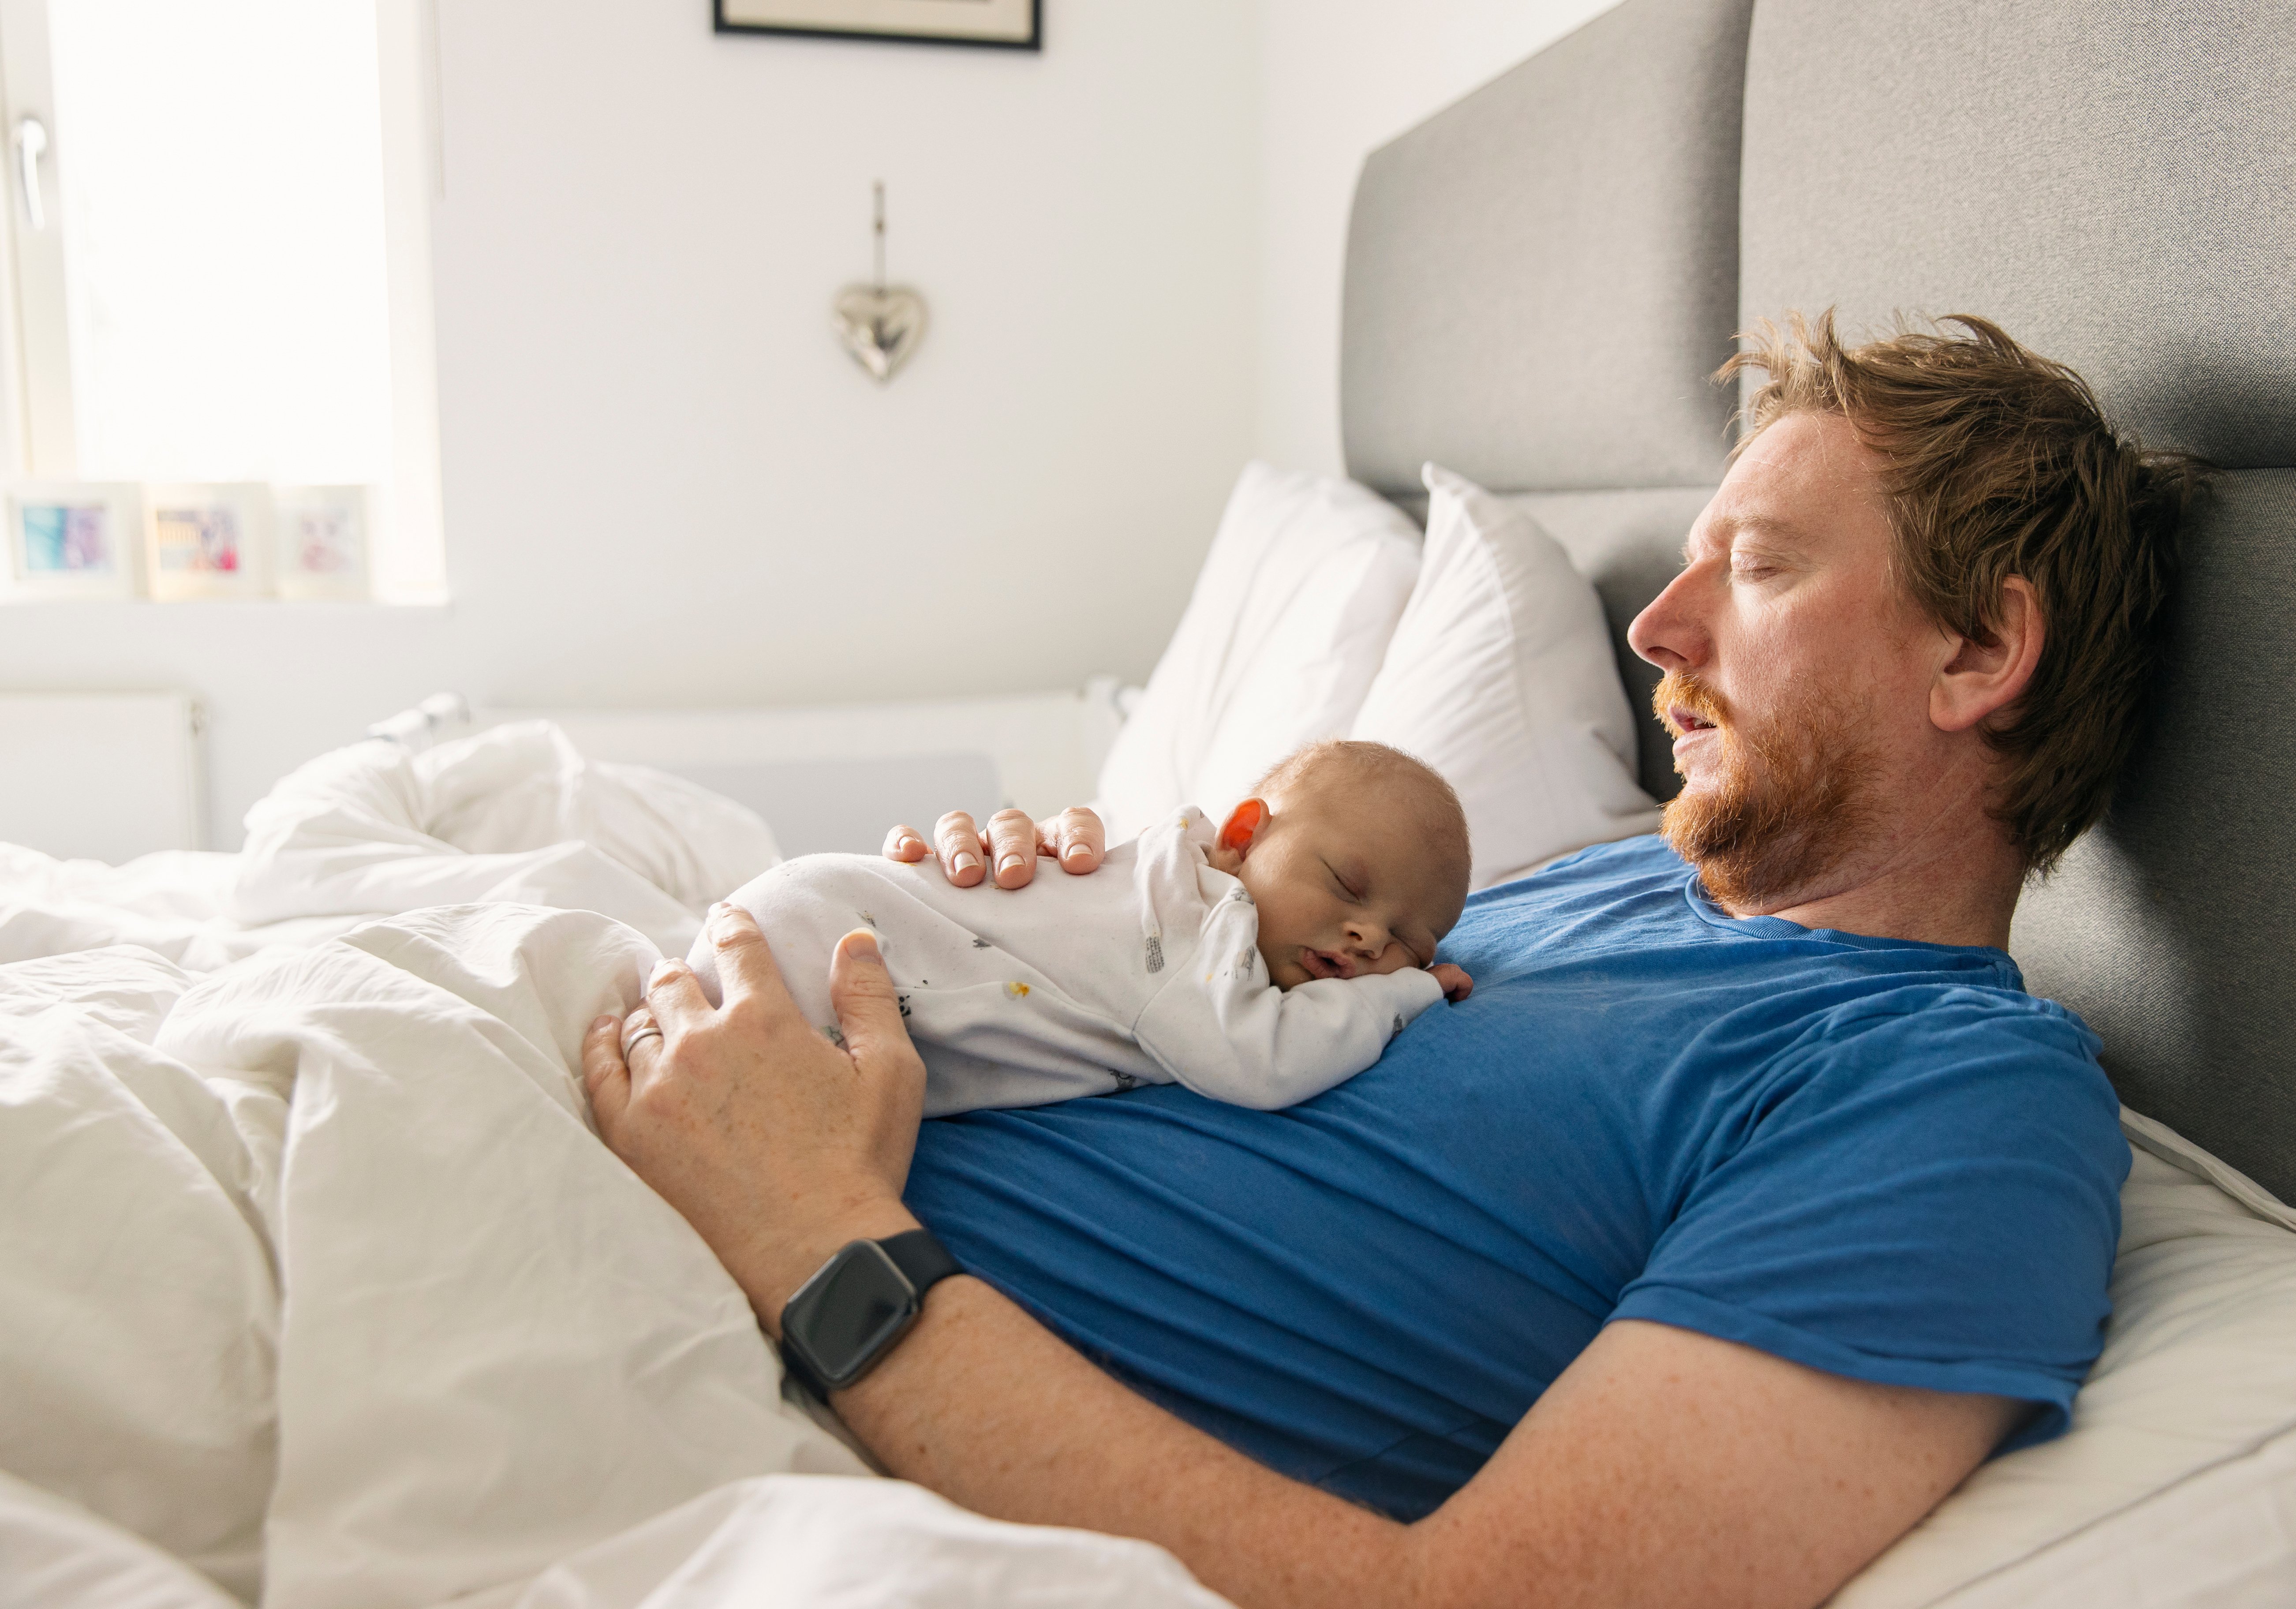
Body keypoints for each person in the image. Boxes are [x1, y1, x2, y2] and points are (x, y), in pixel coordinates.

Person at [581, 313, 2205, 1608]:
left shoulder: (1955, 1102)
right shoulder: (1582, 890)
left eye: (1763, 565)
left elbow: (1477, 1593)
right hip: (692, 1155)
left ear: (1980, 650)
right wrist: (1006, 918)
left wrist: (814, 1234)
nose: (1657, 628)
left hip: (764, 1332)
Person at [681, 740, 1475, 1115]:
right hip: (828, 947)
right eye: (1346, 885)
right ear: (1240, 838)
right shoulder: (1208, 921)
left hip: (815, 916)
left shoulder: (1176, 881)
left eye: (1408, 940)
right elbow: (1257, 1063)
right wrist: (1405, 992)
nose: (1370, 938)